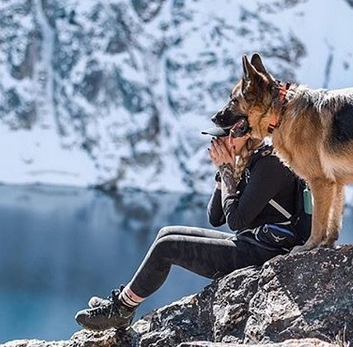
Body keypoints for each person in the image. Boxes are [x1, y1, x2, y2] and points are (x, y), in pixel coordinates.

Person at [74, 126, 310, 331]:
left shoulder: (271, 164)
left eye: (221, 137)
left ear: (243, 135)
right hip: (251, 244)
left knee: (168, 247)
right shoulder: (248, 161)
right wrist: (224, 174)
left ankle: (122, 310)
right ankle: (123, 302)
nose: (215, 143)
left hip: (266, 253)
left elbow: (236, 221)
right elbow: (215, 217)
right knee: (166, 234)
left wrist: (228, 170)